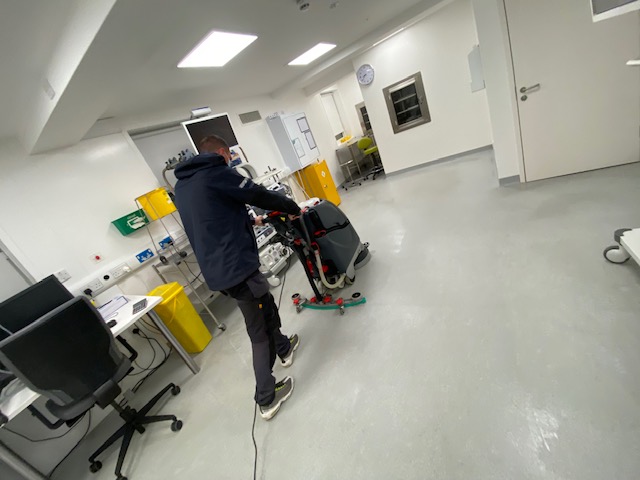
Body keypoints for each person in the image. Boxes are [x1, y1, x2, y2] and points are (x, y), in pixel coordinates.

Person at [173, 134, 301, 420]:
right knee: (259, 332)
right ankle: (267, 398)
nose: (230, 160)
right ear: (222, 152)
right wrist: (292, 207)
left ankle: (284, 346)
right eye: (229, 155)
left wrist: (249, 220)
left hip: (218, 272)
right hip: (238, 269)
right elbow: (258, 194)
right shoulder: (217, 172)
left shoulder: (183, 185)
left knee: (265, 307)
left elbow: (213, 217)